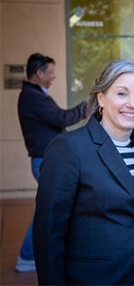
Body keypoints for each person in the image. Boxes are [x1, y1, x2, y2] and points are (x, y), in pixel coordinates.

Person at [32, 60, 134, 285]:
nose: (132, 104)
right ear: (101, 98)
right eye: (121, 94)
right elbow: (48, 233)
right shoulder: (69, 148)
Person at [16, 52, 87, 272]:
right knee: (48, 211)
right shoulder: (32, 97)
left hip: (46, 159)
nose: (54, 76)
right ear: (39, 73)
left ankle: (34, 254)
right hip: (44, 161)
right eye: (51, 72)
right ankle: (27, 256)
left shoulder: (36, 94)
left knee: (51, 208)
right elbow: (61, 118)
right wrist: (88, 106)